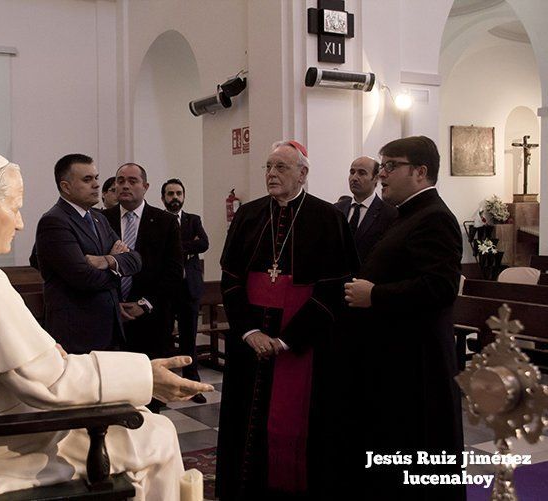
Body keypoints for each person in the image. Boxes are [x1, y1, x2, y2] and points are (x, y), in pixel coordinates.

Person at [0, 148, 213, 499]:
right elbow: (48, 382)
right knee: (156, 432)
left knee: (138, 415)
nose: (20, 223)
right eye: (16, 207)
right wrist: (146, 375)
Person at [216, 140, 358, 500]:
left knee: (302, 423)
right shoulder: (248, 215)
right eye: (268, 167)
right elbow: (231, 278)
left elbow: (334, 288)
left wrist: (286, 338)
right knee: (247, 421)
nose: (272, 174)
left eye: (281, 167)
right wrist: (249, 331)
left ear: (303, 174)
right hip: (250, 338)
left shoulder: (329, 218)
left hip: (303, 341)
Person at [344, 136, 464, 501]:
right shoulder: (407, 215)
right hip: (397, 360)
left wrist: (374, 295)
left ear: (421, 172)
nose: (382, 174)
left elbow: (440, 288)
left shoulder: (436, 218)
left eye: (391, 165)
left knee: (418, 457)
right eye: (382, 165)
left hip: (419, 365)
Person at [33, 154, 141, 353]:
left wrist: (106, 260)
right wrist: (117, 267)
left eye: (96, 178)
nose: (96, 185)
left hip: (109, 328)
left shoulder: (99, 219)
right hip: (78, 332)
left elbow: (135, 260)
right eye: (87, 179)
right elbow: (83, 277)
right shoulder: (55, 221)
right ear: (65, 187)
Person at [104, 163, 183, 412]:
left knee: (148, 396)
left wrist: (145, 304)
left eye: (132, 180)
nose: (125, 185)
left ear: (145, 187)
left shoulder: (165, 222)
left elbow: (173, 272)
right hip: (110, 318)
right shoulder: (100, 219)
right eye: (120, 180)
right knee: (113, 393)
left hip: (150, 320)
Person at [161, 178, 209, 403]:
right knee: (164, 338)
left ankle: (192, 385)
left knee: (190, 338)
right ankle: (164, 386)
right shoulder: (158, 220)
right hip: (166, 289)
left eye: (178, 193)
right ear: (163, 198)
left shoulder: (193, 220)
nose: (175, 198)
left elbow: (204, 244)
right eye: (170, 194)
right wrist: (187, 247)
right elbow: (157, 249)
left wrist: (177, 248)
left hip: (189, 287)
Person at [334, 156, 397, 263]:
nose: (354, 178)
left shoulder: (389, 213)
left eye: (362, 173)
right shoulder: (337, 209)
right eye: (352, 172)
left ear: (376, 178)